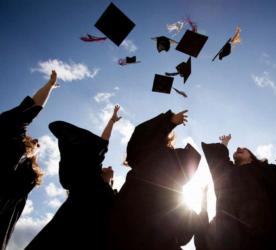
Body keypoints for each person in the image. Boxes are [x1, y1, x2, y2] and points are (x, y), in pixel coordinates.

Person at [25, 105, 121, 250]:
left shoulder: (108, 191)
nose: (108, 166)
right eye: (105, 165)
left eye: (105, 166)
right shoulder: (87, 180)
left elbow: (101, 145)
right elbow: (101, 145)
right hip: (65, 233)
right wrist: (112, 121)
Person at [196, 134, 276, 250]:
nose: (239, 148)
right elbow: (218, 159)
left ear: (252, 156)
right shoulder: (228, 173)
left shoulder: (267, 171)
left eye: (244, 149)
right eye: (238, 150)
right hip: (241, 239)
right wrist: (224, 143)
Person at [110, 109, 202, 250]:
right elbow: (140, 138)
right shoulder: (144, 155)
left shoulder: (173, 164)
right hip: (131, 221)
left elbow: (183, 232)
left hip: (157, 233)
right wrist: (168, 122)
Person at [0, 71, 58, 250]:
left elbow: (30, 109)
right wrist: (49, 86)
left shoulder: (26, 173)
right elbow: (30, 108)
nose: (38, 142)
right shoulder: (9, 136)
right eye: (35, 141)